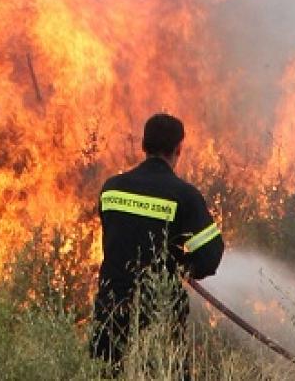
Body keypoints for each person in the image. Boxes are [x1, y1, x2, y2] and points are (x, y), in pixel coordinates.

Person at [89, 113, 224, 377]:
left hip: (111, 309)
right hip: (159, 312)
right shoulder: (184, 196)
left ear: (143, 145)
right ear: (178, 149)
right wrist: (179, 267)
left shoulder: (112, 188)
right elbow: (209, 256)